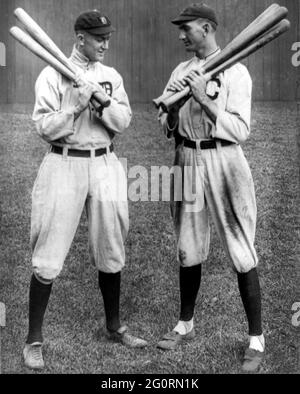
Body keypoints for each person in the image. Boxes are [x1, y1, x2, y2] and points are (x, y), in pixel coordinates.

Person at [23, 10, 147, 371]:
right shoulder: (51, 72)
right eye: (98, 38)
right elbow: (44, 126)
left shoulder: (110, 76)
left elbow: (123, 121)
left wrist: (102, 102)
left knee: (112, 245)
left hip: (105, 161)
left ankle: (114, 326)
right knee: (48, 251)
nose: (105, 43)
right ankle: (33, 340)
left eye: (107, 37)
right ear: (80, 38)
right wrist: (74, 108)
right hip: (64, 162)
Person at [157, 3, 265, 372]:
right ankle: (185, 323)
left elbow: (240, 130)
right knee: (187, 245)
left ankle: (255, 339)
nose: (181, 35)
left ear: (206, 28)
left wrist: (203, 99)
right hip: (186, 158)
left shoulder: (237, 70)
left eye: (186, 28)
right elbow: (167, 123)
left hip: (225, 161)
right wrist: (172, 111)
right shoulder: (181, 70)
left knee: (241, 248)